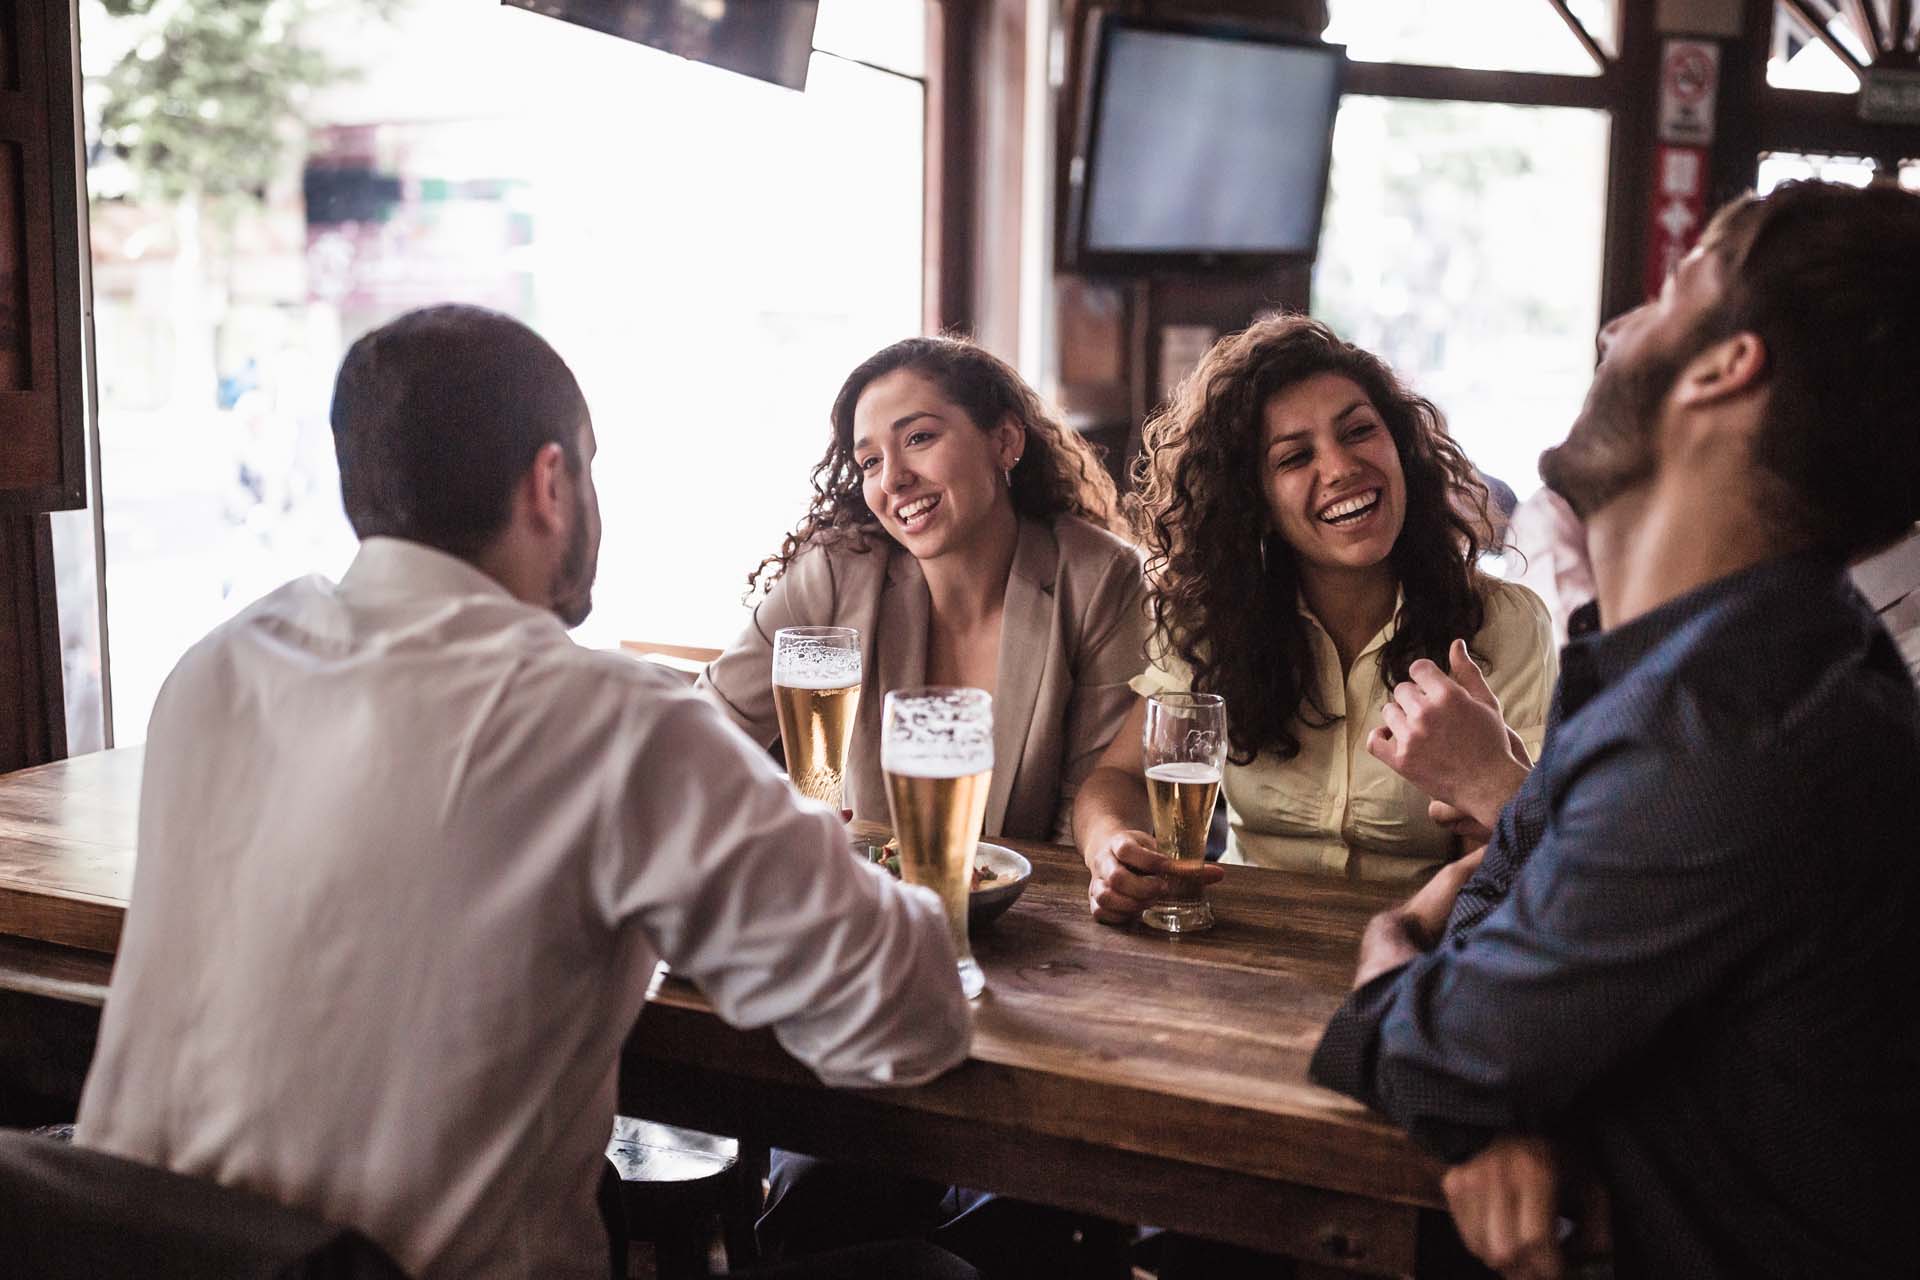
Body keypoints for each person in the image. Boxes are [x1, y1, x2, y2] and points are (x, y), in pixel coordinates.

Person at [73, 305, 979, 1280]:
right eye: (589, 465)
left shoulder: (218, 668)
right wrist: (810, 835)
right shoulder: (615, 721)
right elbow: (907, 1015)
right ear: (552, 481)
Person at [1311, 180, 1920, 1279]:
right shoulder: (1719, 663)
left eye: (1671, 293)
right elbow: (1502, 938)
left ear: (1726, 366)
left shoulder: (1725, 734)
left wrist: (1391, 950)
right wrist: (1502, 1088)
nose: (1615, 327)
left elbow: (1431, 1038)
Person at [1074, 315, 1558, 925]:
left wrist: (1478, 781)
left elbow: (1512, 852)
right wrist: (1110, 847)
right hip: (1246, 943)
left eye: (1359, 432)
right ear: (1257, 503)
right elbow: (1115, 779)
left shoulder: (1504, 623)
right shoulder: (1212, 624)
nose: (1340, 467)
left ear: (1403, 450)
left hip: (1422, 949)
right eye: (1296, 456)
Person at [698, 335, 1147, 843]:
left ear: (1005, 442)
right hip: (862, 900)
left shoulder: (1098, 579)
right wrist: (776, 821)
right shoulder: (834, 573)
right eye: (869, 462)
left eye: (918, 439)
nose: (892, 480)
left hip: (1029, 910)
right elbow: (702, 734)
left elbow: (1088, 815)